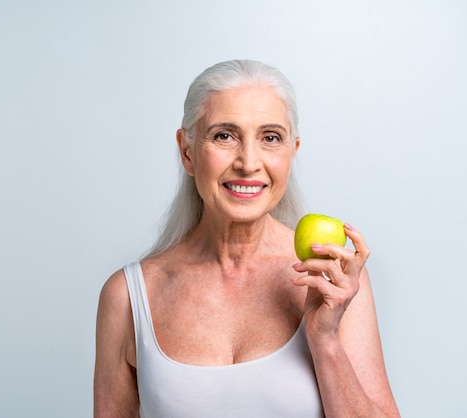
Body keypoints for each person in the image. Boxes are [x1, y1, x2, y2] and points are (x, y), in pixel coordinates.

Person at [94, 59, 400, 417]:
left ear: (292, 151)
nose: (248, 162)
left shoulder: (333, 279)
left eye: (270, 138)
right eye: (224, 135)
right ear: (187, 151)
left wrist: (325, 339)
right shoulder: (127, 296)